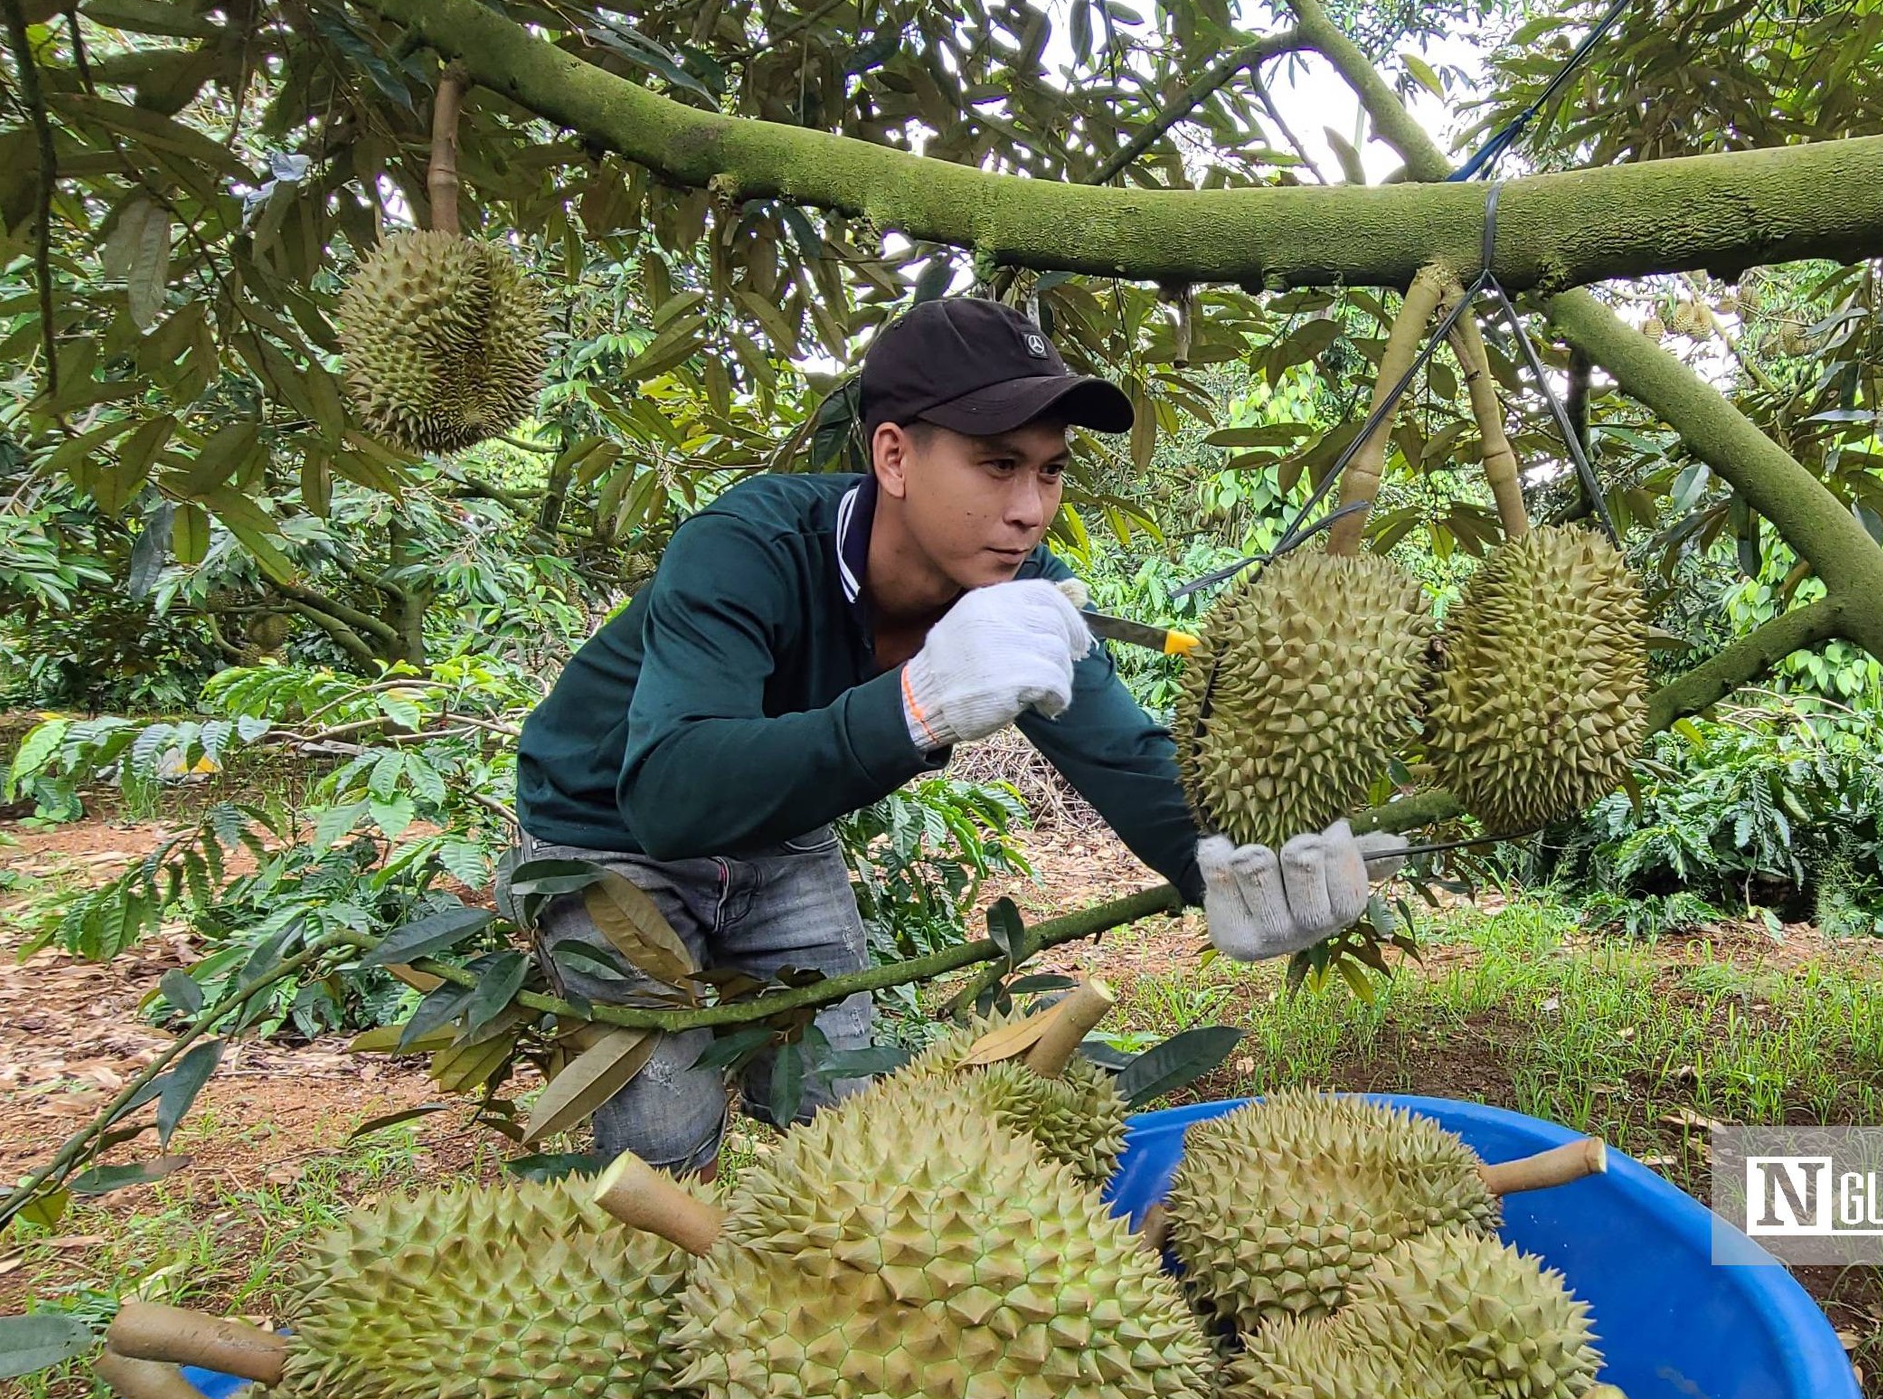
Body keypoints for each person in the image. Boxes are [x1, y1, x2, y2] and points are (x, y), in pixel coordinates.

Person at [511, 297, 1403, 1172]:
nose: (1031, 509)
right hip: (603, 835)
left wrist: (1229, 867)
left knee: (838, 1098)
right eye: (997, 465)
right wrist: (915, 705)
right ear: (894, 457)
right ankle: (666, 1262)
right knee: (665, 1118)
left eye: (1051, 471)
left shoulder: (1021, 586)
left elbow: (1120, 752)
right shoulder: (748, 545)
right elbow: (670, 791)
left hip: (781, 835)